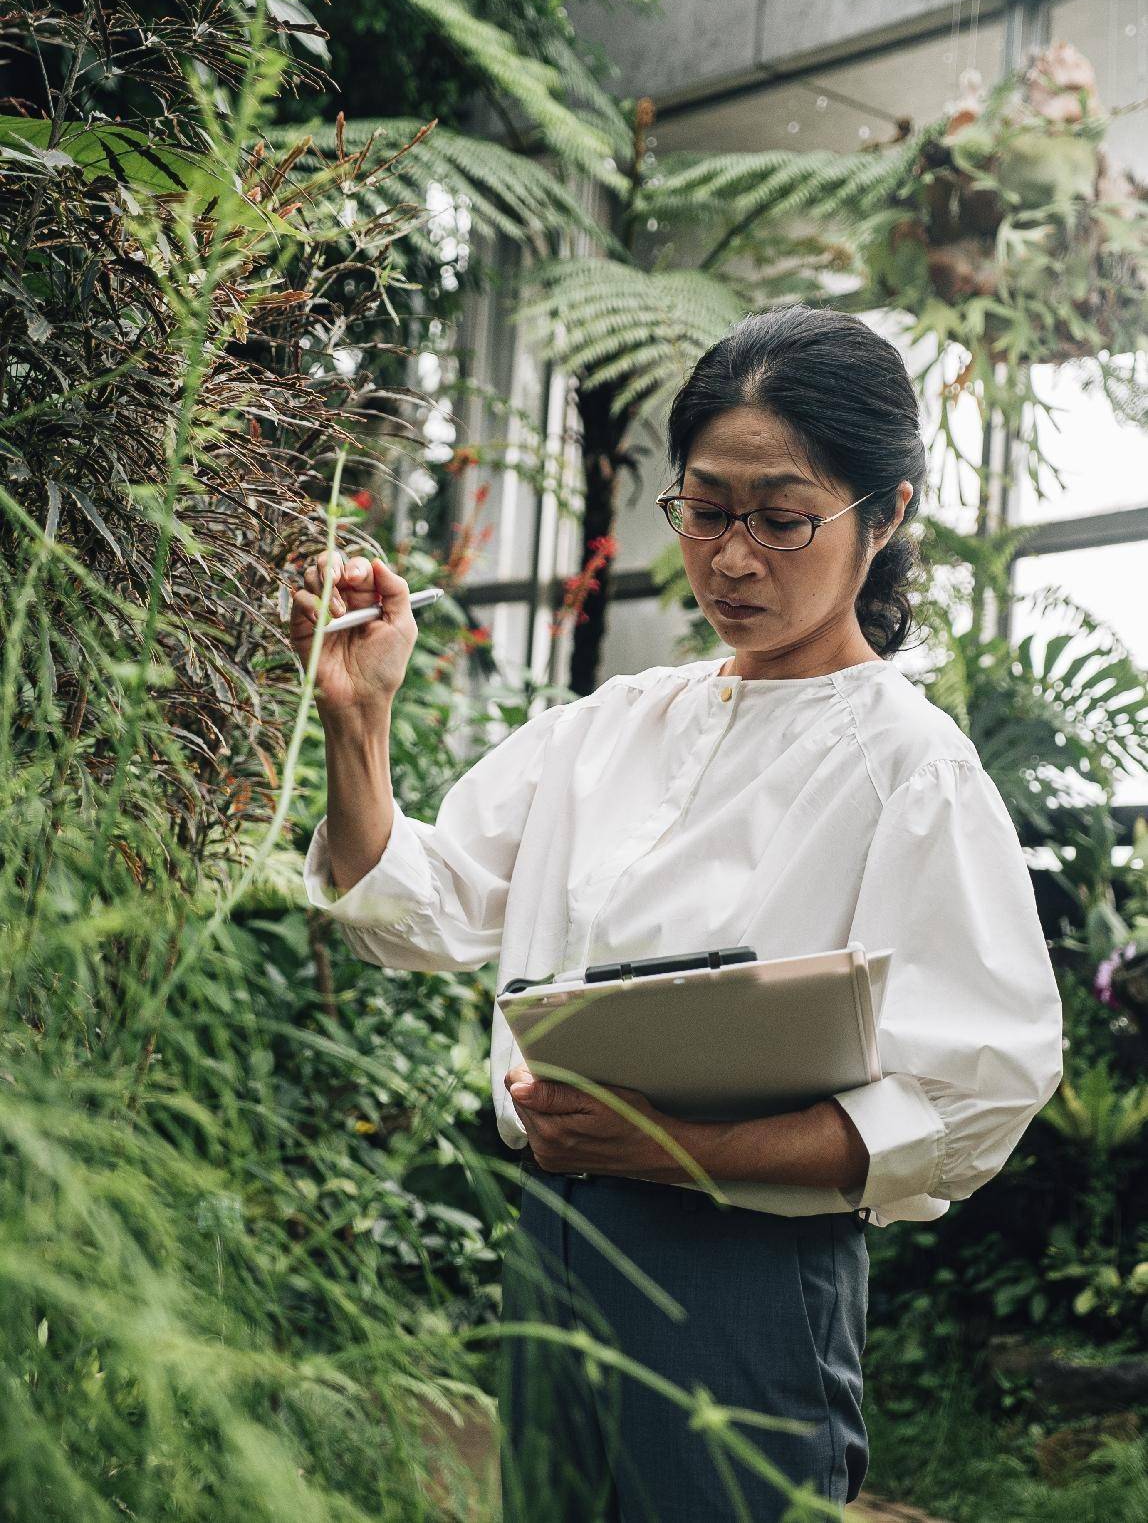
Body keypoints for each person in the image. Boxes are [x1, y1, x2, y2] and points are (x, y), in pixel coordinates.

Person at [292, 306, 1064, 1522]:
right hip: (555, 1240)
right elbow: (420, 909)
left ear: (887, 515)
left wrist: (685, 1151)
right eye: (705, 509)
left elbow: (971, 1089)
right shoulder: (614, 725)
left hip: (742, 1275)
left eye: (781, 515)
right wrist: (357, 720)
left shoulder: (909, 767)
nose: (733, 557)